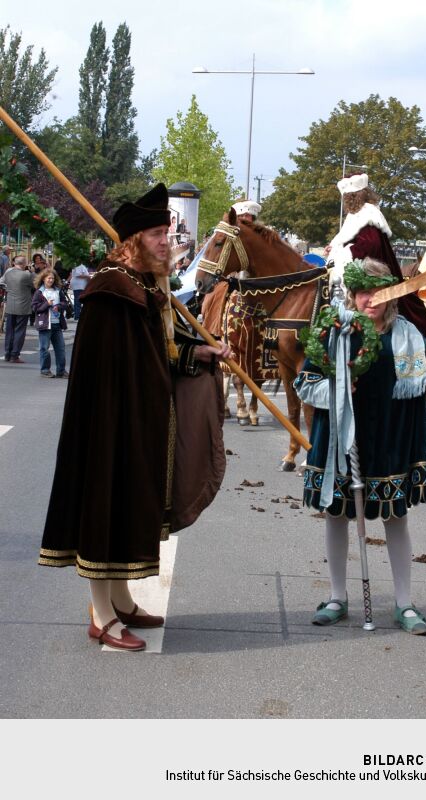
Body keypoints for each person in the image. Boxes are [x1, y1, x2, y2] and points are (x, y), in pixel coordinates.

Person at [38, 183, 231, 652]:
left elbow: (158, 352)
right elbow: (108, 369)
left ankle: (122, 601)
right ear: (133, 240)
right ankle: (101, 615)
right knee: (107, 506)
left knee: (129, 509)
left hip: (139, 420)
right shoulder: (112, 288)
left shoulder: (144, 284)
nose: (167, 241)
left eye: (167, 233)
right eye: (157, 234)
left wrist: (198, 352)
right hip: (111, 423)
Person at [294, 258, 426, 634]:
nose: (368, 299)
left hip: (392, 436)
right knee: (337, 514)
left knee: (396, 517)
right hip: (341, 439)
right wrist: (336, 389)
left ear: (391, 294)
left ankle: (404, 603)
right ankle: (337, 597)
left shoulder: (407, 333)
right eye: (361, 292)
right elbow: (305, 383)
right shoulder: (335, 331)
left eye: (376, 292)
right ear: (352, 295)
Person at [325, 173, 426, 337]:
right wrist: (334, 248)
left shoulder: (368, 214)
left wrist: (342, 253)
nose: (347, 200)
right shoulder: (358, 215)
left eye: (349, 197)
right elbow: (349, 240)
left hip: (371, 277)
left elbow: (371, 244)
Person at [32, 268, 69, 378]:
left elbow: (65, 303)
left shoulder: (58, 290)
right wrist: (47, 304)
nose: (51, 280)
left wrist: (59, 306)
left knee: (60, 348)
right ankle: (45, 370)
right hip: (45, 324)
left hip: (57, 324)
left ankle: (61, 371)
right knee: (44, 348)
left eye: (52, 278)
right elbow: (35, 308)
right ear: (43, 279)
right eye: (49, 278)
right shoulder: (39, 292)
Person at [0, 254, 33, 363]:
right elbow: (36, 284)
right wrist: (31, 271)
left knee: (9, 330)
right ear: (24, 264)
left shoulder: (8, 273)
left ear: (15, 263)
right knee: (20, 331)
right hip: (23, 306)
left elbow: (1, 282)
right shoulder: (27, 275)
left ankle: (7, 353)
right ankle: (14, 355)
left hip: (10, 305)